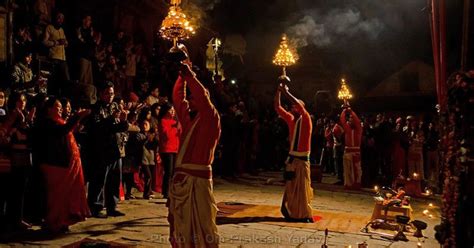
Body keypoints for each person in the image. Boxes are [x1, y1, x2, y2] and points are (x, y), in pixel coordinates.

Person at [168, 46, 221, 247]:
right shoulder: (190, 121)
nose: (189, 101)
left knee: (203, 227)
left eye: (193, 98)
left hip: (198, 182)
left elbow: (202, 97)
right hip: (182, 180)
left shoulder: (211, 117)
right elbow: (177, 99)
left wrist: (190, 75)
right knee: (181, 227)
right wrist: (183, 73)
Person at [35, 97, 91, 233]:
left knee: (66, 195)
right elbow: (62, 131)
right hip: (54, 164)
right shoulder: (47, 123)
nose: (60, 109)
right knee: (57, 196)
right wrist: (77, 116)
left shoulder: (59, 122)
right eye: (57, 107)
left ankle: (63, 221)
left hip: (64, 164)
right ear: (49, 109)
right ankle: (54, 222)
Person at [86, 81, 128, 218]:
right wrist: (112, 119)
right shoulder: (96, 108)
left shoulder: (115, 106)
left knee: (115, 179)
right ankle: (95, 207)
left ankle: (112, 206)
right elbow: (97, 128)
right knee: (99, 180)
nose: (110, 96)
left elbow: (120, 128)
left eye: (112, 93)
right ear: (101, 94)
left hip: (116, 148)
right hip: (102, 150)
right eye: (107, 93)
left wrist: (123, 121)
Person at [274, 79, 314, 223]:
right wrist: (278, 91)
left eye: (296, 106)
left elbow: (297, 104)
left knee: (301, 190)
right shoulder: (291, 119)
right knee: (291, 188)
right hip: (292, 158)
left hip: (302, 159)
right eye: (293, 106)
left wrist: (287, 92)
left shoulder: (306, 118)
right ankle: (291, 212)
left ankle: (302, 214)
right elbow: (277, 107)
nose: (293, 107)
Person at [158, 103, 181, 199]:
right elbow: (166, 135)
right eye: (170, 110)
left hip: (175, 148)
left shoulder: (174, 122)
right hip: (167, 149)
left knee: (173, 171)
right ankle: (166, 192)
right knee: (168, 171)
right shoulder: (163, 121)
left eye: (173, 110)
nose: (173, 111)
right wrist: (175, 127)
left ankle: (171, 190)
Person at [340, 107, 363, 189]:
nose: (350, 120)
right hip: (348, 151)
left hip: (356, 152)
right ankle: (348, 184)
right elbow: (342, 119)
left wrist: (350, 111)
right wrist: (344, 110)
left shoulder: (359, 129)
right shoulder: (347, 128)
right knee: (347, 170)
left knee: (357, 170)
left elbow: (357, 120)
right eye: (349, 118)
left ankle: (356, 184)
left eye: (352, 118)